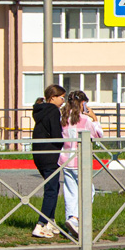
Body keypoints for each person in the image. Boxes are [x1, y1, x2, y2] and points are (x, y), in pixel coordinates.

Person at [59, 90, 105, 238]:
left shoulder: (63, 117)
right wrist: (94, 117)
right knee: (88, 191)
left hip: (66, 160)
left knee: (70, 193)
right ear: (83, 103)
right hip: (81, 161)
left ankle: (70, 224)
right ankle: (76, 220)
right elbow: (99, 134)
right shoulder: (85, 120)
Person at [30, 84, 66, 238]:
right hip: (50, 154)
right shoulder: (52, 110)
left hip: (39, 154)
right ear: (53, 97)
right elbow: (56, 133)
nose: (63, 101)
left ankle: (50, 221)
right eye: (61, 97)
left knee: (53, 186)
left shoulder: (40, 110)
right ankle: (40, 224)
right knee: (51, 190)